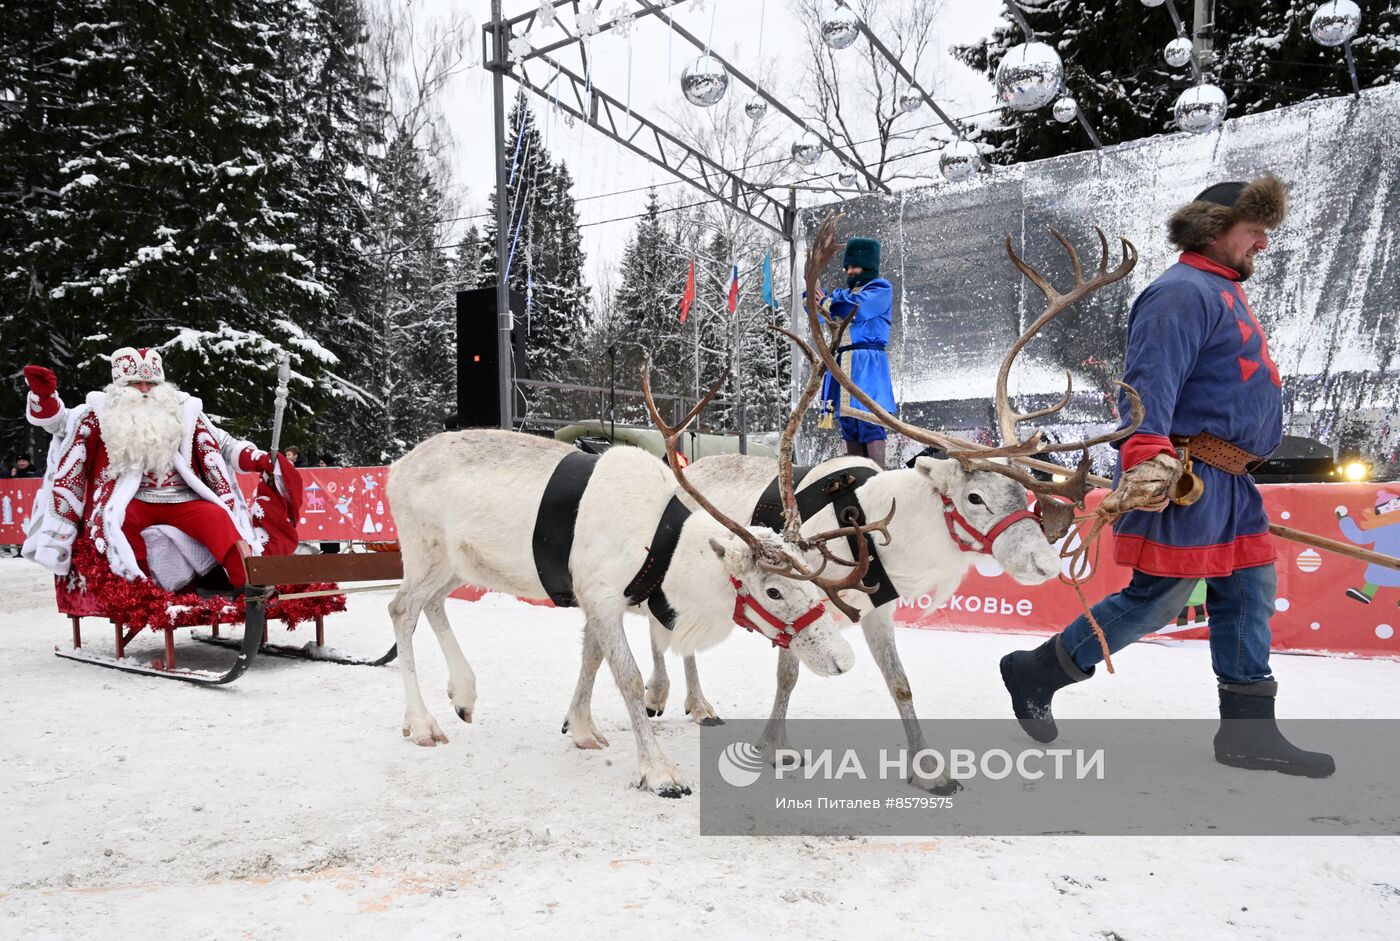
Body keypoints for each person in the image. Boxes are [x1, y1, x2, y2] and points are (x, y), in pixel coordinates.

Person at [1000, 173, 1335, 778]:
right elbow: (1145, 387)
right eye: (1254, 231)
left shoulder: (1223, 289)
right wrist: (1148, 457)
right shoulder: (1181, 292)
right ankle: (1036, 671)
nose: (1263, 243)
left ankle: (1248, 735)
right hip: (1188, 477)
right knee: (1159, 599)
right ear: (1214, 229)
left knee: (1248, 596)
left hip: (1232, 484)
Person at [20, 347, 298, 592]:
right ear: (119, 386)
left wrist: (259, 458)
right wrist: (44, 397)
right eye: (135, 383)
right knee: (117, 525)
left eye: (150, 383)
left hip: (182, 497)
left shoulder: (183, 410)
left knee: (219, 519)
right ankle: (143, 592)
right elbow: (58, 423)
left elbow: (223, 444)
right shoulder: (99, 412)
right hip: (131, 499)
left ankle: (250, 587)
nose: (143, 389)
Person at [815, 236, 897, 469]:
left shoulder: (880, 289)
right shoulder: (843, 294)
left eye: (854, 266)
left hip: (867, 365)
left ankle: (878, 481)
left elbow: (855, 309)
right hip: (844, 363)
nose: (849, 271)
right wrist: (814, 296)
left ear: (867, 266)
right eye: (848, 267)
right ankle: (857, 488)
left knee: (869, 422)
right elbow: (824, 310)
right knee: (849, 424)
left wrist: (828, 302)